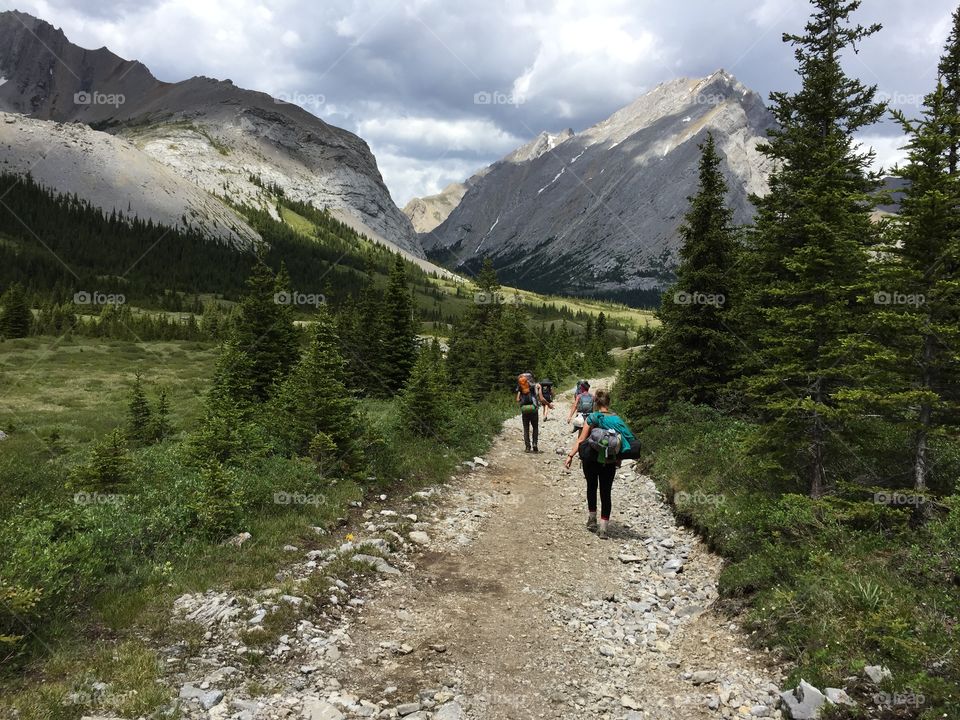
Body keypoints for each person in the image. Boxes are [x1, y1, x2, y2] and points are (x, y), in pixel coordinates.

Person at [563, 389, 637, 539]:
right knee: (606, 492)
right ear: (608, 403)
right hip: (609, 462)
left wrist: (570, 455)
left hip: (591, 460)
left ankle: (592, 519)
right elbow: (625, 440)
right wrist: (619, 458)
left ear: (595, 402)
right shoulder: (617, 420)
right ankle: (603, 528)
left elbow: (581, 440)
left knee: (591, 487)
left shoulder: (592, 417)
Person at [516, 371, 540, 453]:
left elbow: (517, 399)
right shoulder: (534, 386)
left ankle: (527, 447)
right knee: (535, 427)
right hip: (533, 409)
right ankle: (535, 444)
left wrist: (521, 403)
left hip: (525, 410)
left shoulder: (521, 387)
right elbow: (538, 396)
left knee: (526, 428)